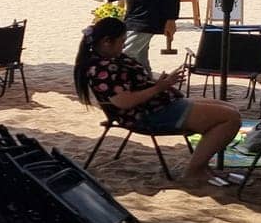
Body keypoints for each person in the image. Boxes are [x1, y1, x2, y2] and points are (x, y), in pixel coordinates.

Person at [74, 17, 241, 185]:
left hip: (158, 106)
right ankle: (194, 170)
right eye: (122, 41)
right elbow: (123, 102)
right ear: (106, 42)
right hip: (148, 114)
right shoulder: (102, 68)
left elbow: (133, 86)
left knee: (230, 110)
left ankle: (202, 167)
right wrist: (158, 88)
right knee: (229, 118)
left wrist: (160, 84)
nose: (123, 45)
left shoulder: (109, 59)